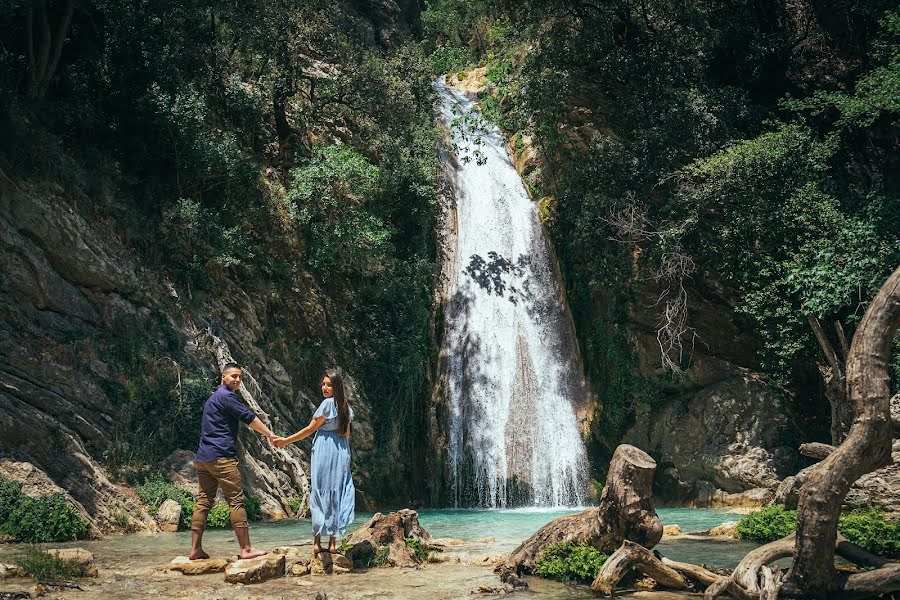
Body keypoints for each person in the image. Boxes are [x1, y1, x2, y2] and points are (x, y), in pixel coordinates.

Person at [188, 362, 276, 560]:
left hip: (203, 458)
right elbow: (249, 418)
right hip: (221, 458)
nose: (237, 380)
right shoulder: (227, 397)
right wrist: (269, 435)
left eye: (239, 377)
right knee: (236, 501)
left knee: (203, 501)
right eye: (233, 376)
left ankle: (195, 550)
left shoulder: (212, 398)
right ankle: (246, 549)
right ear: (223, 377)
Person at [274, 371, 355, 554]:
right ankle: (333, 543)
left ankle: (317, 543)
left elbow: (310, 429)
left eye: (329, 385)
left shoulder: (327, 404)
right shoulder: (345, 407)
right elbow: (347, 434)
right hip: (341, 450)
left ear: (337, 387)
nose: (324, 388)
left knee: (319, 491)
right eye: (323, 384)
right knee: (336, 492)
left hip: (325, 449)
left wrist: (286, 441)